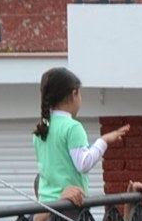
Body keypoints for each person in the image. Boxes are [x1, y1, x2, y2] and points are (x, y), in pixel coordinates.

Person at [33, 66, 129, 207]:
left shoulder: (43, 127)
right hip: (69, 206)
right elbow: (83, 164)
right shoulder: (73, 127)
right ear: (74, 94)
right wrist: (104, 141)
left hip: (45, 208)